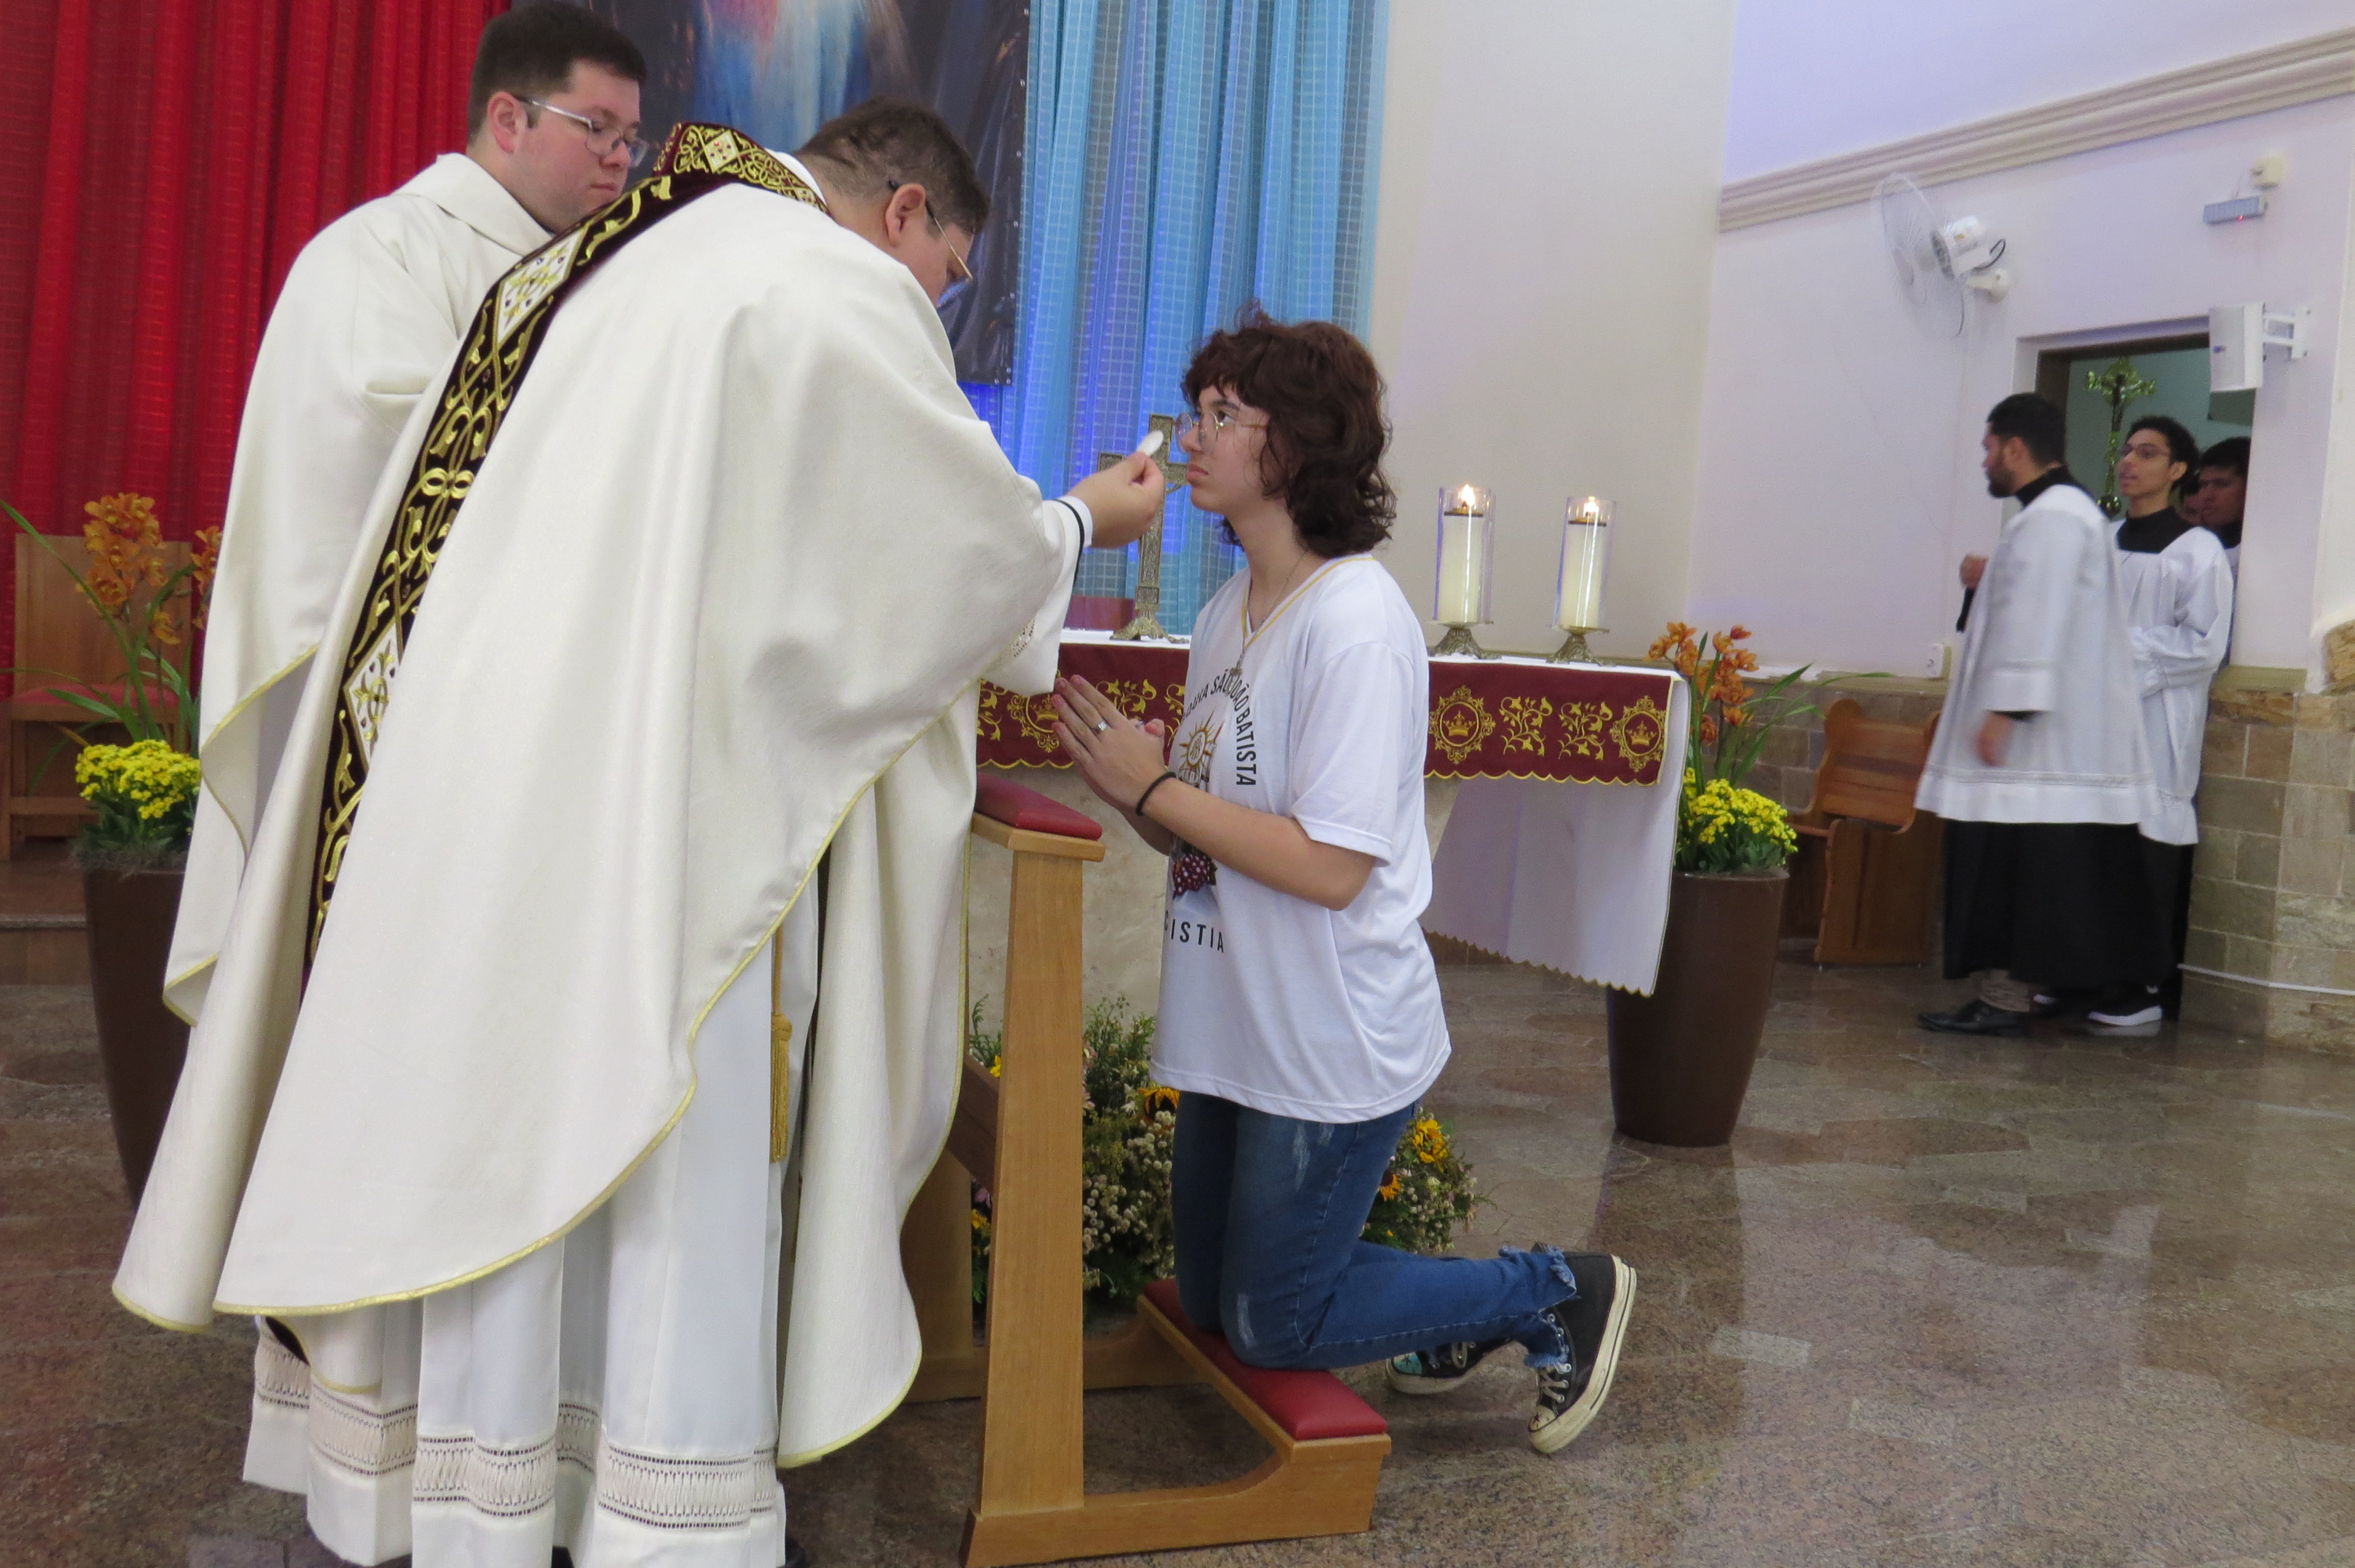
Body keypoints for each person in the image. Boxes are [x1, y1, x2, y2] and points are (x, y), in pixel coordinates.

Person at [115, 107, 1166, 1566]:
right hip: (655, 813)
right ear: (904, 213)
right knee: (646, 1125)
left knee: (489, 1106)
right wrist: (1079, 521)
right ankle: (643, 1506)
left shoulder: (589, 264)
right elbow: (944, 558)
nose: (939, 300)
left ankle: (460, 1480)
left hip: (482, 786)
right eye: (950, 271)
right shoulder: (819, 280)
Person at [1049, 312, 1637, 1457]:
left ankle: (1556, 1289)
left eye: (1224, 414)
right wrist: (1133, 791)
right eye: (1198, 410)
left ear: (1298, 442)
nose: (1192, 437)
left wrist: (1154, 785)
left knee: (1277, 1322)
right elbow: (1208, 839)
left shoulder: (1356, 623)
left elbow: (1328, 866)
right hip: (1236, 1016)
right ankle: (1456, 1313)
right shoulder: (1224, 613)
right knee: (1217, 1300)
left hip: (1325, 1032)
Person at [168, 1, 649, 1024]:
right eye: (597, 128)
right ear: (509, 119)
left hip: (524, 705)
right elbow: (395, 451)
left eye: (630, 137)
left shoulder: (598, 280)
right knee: (368, 999)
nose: (619, 159)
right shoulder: (381, 253)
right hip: (384, 698)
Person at [1917, 392, 2165, 1037]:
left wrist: (2009, 709)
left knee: (2014, 875)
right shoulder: (2062, 514)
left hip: (2037, 745)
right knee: (2038, 875)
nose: (1984, 461)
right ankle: (2022, 994)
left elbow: (2038, 617)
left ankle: (2005, 1000)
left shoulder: (2053, 518)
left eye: (1988, 449)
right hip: (2050, 741)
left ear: (2015, 448)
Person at [2111, 416, 2233, 1021]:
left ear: (2177, 470)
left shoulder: (2197, 551)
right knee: (2090, 848)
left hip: (2156, 718)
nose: (2129, 462)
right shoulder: (2101, 541)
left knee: (2144, 847)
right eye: (2127, 450)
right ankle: (2080, 975)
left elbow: (2203, 644)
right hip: (2093, 721)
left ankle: (2139, 989)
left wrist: (2115, 655)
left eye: (2148, 452)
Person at [2191, 434, 2250, 572]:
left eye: (2221, 484)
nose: (2207, 496)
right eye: (2203, 485)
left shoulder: (2269, 553)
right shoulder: (2188, 548)